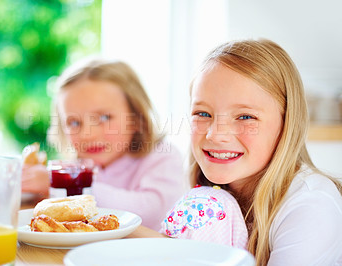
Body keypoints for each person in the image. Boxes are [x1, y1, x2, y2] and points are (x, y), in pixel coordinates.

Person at [130, 39, 342, 265]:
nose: (214, 135)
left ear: (287, 123)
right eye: (202, 114)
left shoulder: (312, 205)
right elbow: (180, 251)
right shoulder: (210, 201)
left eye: (245, 117)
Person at [22, 58, 187, 230]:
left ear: (136, 118)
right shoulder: (80, 167)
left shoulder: (162, 156)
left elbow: (152, 211)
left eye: (104, 118)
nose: (88, 134)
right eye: (74, 123)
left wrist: (64, 184)